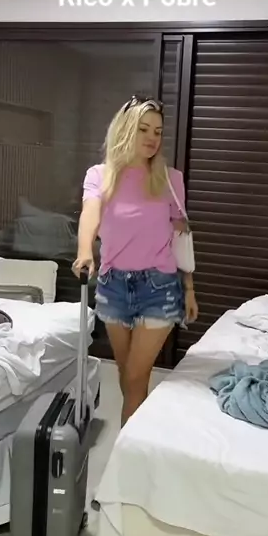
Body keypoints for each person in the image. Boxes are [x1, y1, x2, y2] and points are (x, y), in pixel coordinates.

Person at [72, 94, 198, 426]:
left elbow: (182, 236)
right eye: (144, 129)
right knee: (126, 373)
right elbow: (90, 214)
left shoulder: (169, 179)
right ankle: (137, 437)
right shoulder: (100, 175)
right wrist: (85, 251)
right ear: (125, 129)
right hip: (113, 285)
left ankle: (125, 447)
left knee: (136, 375)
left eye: (157, 131)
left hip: (159, 287)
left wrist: (188, 288)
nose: (152, 138)